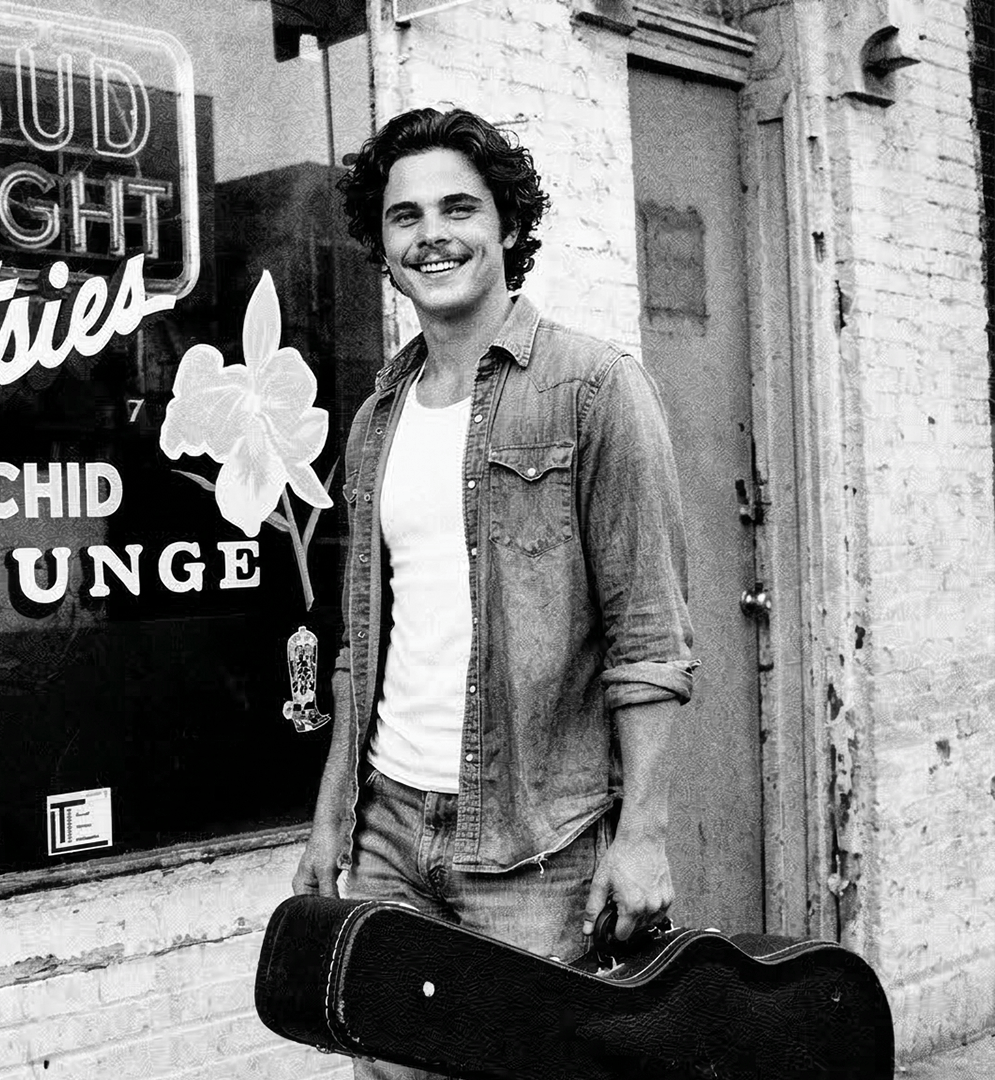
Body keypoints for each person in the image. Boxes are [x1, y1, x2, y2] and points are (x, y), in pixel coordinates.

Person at [291, 107, 696, 1079]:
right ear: (383, 246)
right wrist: (330, 819)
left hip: (536, 849)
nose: (431, 235)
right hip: (389, 830)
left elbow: (650, 639)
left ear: (508, 224)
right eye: (405, 216)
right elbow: (361, 643)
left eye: (459, 208)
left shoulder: (595, 389)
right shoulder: (377, 417)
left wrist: (643, 835)